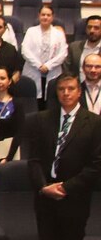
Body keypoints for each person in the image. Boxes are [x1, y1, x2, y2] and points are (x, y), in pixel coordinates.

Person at [28, 72, 101, 240]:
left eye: (70, 88)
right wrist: (43, 186)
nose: (66, 93)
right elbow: (34, 160)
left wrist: (65, 187)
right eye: (61, 89)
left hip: (75, 198)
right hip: (45, 198)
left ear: (79, 92)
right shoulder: (42, 119)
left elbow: (96, 164)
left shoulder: (94, 122)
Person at [21, 5, 67, 106]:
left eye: (48, 15)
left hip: (52, 72)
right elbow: (25, 50)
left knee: (50, 101)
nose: (45, 17)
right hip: (33, 71)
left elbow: (63, 53)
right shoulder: (31, 31)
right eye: (43, 15)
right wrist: (39, 65)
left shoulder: (59, 33)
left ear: (52, 17)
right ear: (39, 16)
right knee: (34, 102)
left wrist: (48, 66)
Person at [63, 15, 101, 81]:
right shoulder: (74, 47)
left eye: (96, 28)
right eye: (89, 27)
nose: (92, 30)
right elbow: (67, 70)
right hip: (78, 88)